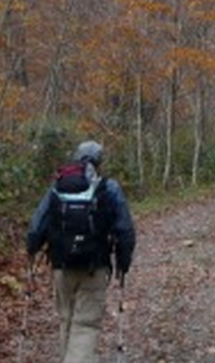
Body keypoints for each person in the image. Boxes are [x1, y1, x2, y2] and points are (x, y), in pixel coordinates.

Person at [27, 140, 136, 363]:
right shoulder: (108, 187)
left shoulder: (58, 186)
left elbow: (37, 225)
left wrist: (32, 250)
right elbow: (125, 229)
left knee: (66, 318)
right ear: (99, 161)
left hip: (61, 265)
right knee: (85, 324)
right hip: (94, 267)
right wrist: (123, 263)